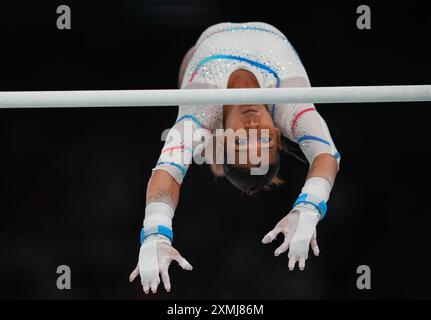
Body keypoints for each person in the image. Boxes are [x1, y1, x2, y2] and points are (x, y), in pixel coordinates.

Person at [129, 22, 340, 294]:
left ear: (223, 139)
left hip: (199, 57)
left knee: (188, 78)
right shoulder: (290, 104)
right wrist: (310, 205)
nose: (253, 129)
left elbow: (168, 171)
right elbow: (326, 154)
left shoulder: (200, 111)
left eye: (240, 142)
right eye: (265, 140)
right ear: (277, 132)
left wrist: (156, 231)